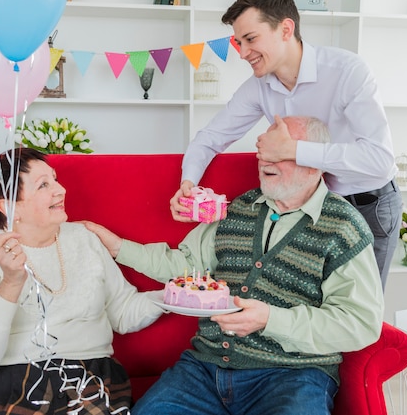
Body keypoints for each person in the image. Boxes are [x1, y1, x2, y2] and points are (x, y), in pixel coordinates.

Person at [85, 116, 384, 415]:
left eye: (279, 153)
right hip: (206, 367)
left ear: (315, 162)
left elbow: (360, 323)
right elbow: (185, 266)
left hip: (292, 374)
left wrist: (270, 319)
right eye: (265, 151)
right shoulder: (239, 209)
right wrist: (117, 247)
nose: (264, 160)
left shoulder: (343, 226)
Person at [169, 0, 401, 290]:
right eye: (238, 42)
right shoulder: (259, 87)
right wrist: (187, 185)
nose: (242, 53)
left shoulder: (347, 71)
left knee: (359, 314)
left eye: (251, 39)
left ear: (285, 29)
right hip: (312, 206)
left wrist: (293, 151)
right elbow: (209, 138)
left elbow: (379, 159)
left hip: (369, 201)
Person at [0, 148, 163, 415]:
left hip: (88, 376)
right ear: (10, 206)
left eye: (55, 179)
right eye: (44, 185)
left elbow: (124, 311)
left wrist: (173, 297)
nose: (61, 190)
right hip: (7, 380)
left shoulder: (85, 239)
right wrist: (10, 284)